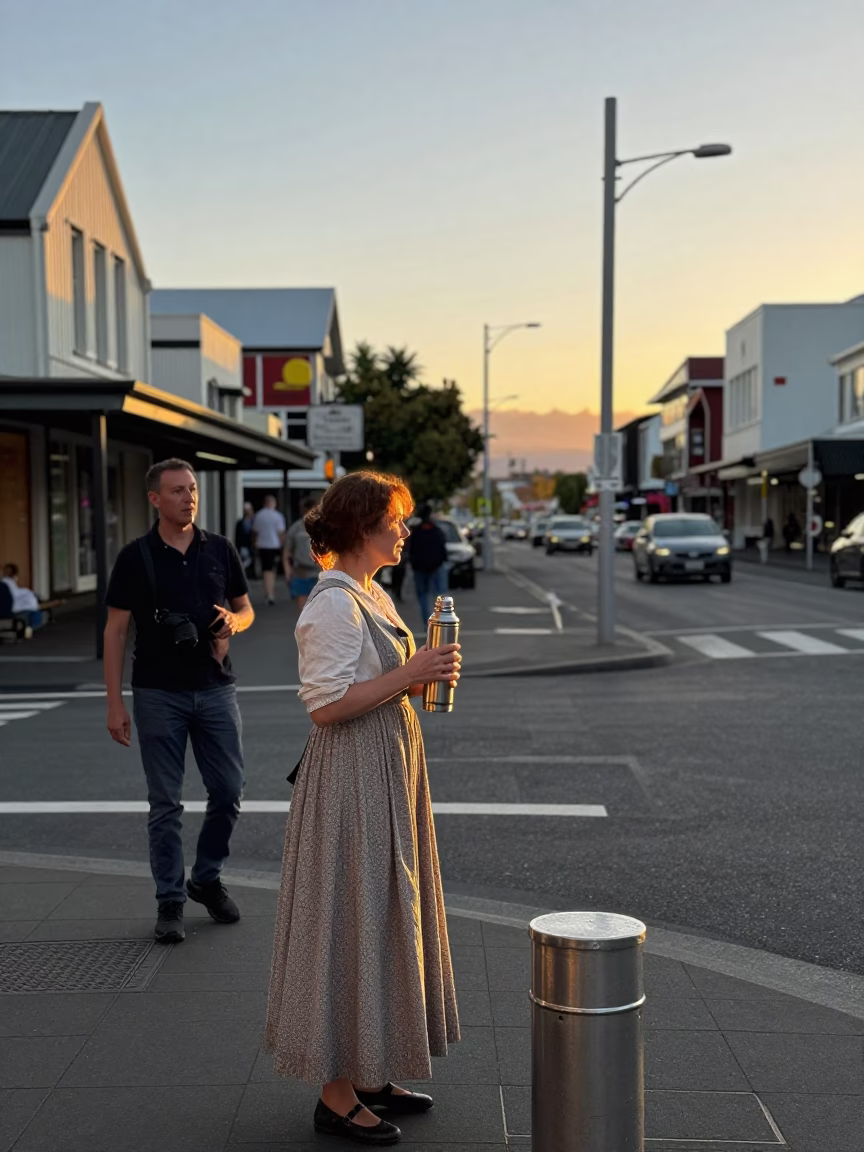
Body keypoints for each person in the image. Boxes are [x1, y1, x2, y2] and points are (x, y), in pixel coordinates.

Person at [265, 471, 461, 1145]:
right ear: (360, 528)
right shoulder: (331, 604)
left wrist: (422, 674)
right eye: (395, 520)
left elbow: (376, 685)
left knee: (382, 912)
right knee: (351, 914)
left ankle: (371, 1069)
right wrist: (411, 675)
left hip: (385, 768)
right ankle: (336, 1091)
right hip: (351, 777)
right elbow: (325, 708)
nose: (405, 529)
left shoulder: (367, 592)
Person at [103, 458, 255, 945]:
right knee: (165, 804)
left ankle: (205, 879)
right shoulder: (135, 556)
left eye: (192, 489)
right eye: (176, 491)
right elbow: (115, 631)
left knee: (229, 792)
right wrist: (115, 703)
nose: (188, 497)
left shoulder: (221, 549)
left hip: (215, 687)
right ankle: (170, 900)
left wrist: (235, 623)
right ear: (154, 499)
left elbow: (245, 608)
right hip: (157, 692)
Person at [406, 504, 449, 624]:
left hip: (420, 568)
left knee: (423, 596)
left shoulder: (417, 532)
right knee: (440, 594)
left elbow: (412, 550)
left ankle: (428, 623)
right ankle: (441, 621)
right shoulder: (436, 531)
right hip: (435, 566)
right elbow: (442, 549)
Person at [284, 495, 320, 611]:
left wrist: (288, 571)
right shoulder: (296, 528)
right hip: (303, 574)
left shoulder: (323, 527)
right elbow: (287, 553)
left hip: (316, 574)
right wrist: (288, 571)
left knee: (311, 613)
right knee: (307, 614)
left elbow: (286, 553)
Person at [253, 495, 287, 605]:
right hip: (274, 545)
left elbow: (255, 532)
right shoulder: (278, 516)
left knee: (266, 569)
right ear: (274, 503)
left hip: (262, 545)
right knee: (272, 569)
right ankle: (271, 592)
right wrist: (283, 546)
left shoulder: (258, 515)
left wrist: (255, 544)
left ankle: (268, 592)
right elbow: (281, 533)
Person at [235, 502, 256, 578]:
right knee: (244, 561)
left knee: (251, 560)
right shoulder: (240, 523)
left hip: (251, 544)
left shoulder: (255, 521)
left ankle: (252, 574)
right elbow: (237, 535)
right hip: (243, 544)